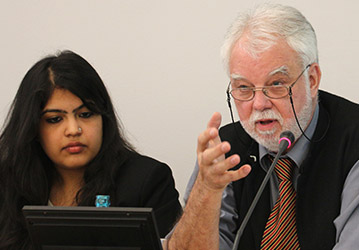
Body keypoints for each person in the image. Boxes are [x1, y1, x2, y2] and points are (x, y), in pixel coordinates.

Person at [168, 3, 359, 250]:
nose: (259, 104)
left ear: (312, 80)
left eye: (277, 83)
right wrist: (206, 190)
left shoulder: (353, 141)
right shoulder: (225, 150)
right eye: (244, 88)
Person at [0, 50, 182, 249]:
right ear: (32, 128)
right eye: (55, 119)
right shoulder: (8, 182)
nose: (73, 130)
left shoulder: (147, 181)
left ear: (104, 118)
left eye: (86, 114)